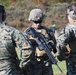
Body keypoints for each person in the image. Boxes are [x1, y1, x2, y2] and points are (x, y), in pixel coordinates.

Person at [21, 8, 57, 75]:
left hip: (46, 64)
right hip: (33, 64)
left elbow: (55, 47)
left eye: (39, 21)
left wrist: (50, 44)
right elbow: (23, 50)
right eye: (35, 22)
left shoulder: (48, 32)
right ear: (31, 20)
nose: (38, 24)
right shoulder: (27, 33)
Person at [0, 4, 32, 75]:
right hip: (9, 71)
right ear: (3, 15)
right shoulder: (11, 31)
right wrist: (21, 66)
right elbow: (28, 49)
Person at [56, 10, 76, 75]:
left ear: (70, 18)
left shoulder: (69, 29)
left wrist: (62, 55)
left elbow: (60, 44)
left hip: (73, 61)